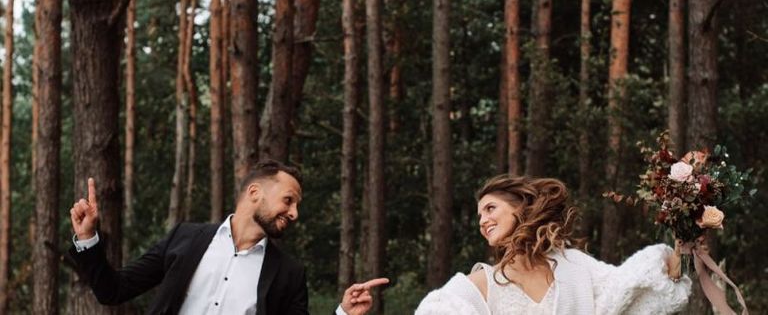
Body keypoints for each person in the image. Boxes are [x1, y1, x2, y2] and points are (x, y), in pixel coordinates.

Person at [69, 159, 387, 315]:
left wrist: (344, 313)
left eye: (296, 206)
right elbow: (113, 290)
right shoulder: (186, 238)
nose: (294, 214)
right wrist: (87, 239)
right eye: (288, 201)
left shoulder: (289, 275)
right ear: (254, 192)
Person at [415, 175, 691, 315]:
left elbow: (628, 290)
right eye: (479, 215)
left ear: (520, 208)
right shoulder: (479, 285)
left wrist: (683, 242)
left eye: (490, 209)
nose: (482, 221)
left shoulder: (573, 266)